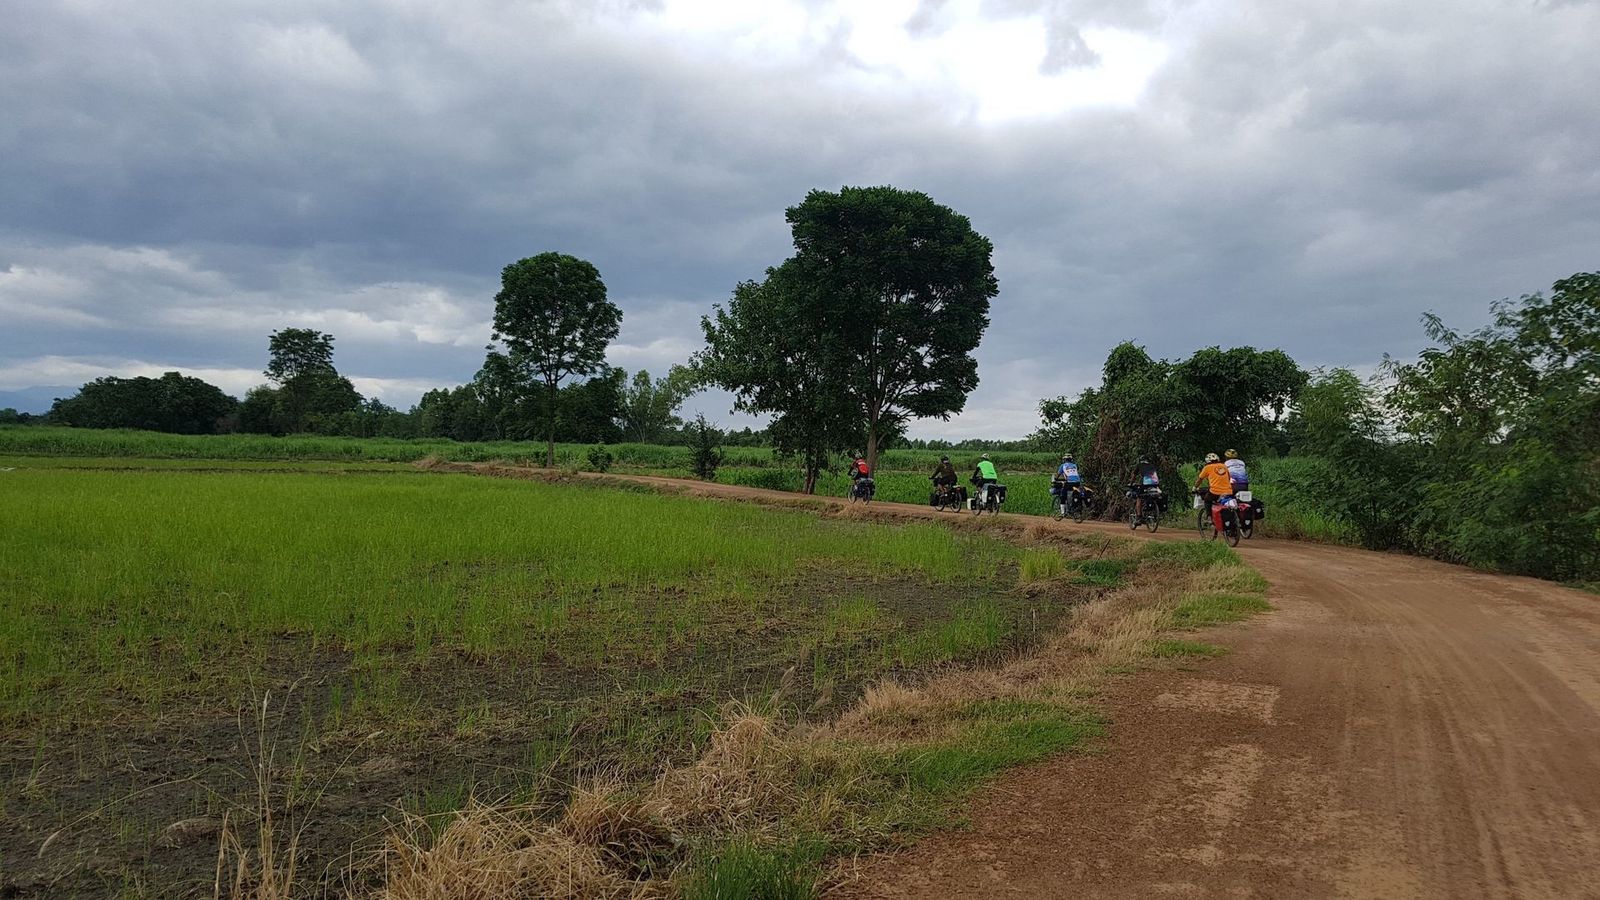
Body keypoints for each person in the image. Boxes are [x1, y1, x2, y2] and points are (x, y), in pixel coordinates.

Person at [1194, 452, 1236, 532]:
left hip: (1215, 491)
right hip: (1228, 491)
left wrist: (1194, 487)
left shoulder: (1207, 467)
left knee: (1207, 500)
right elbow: (1228, 477)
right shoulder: (1224, 466)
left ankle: (1209, 517)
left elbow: (1200, 479)